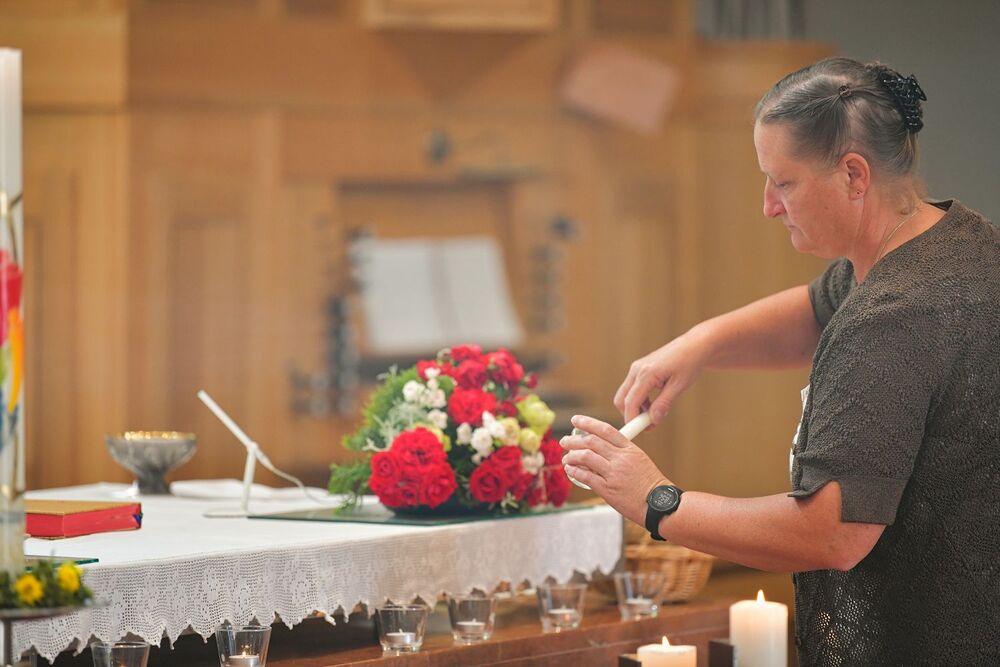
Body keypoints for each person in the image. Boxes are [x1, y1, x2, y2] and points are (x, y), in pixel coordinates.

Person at [561, 57, 1000, 666]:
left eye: (784, 183)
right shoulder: (955, 239)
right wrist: (702, 342)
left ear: (854, 175)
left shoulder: (893, 314)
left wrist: (656, 502)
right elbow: (821, 308)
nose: (769, 205)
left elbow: (834, 531)